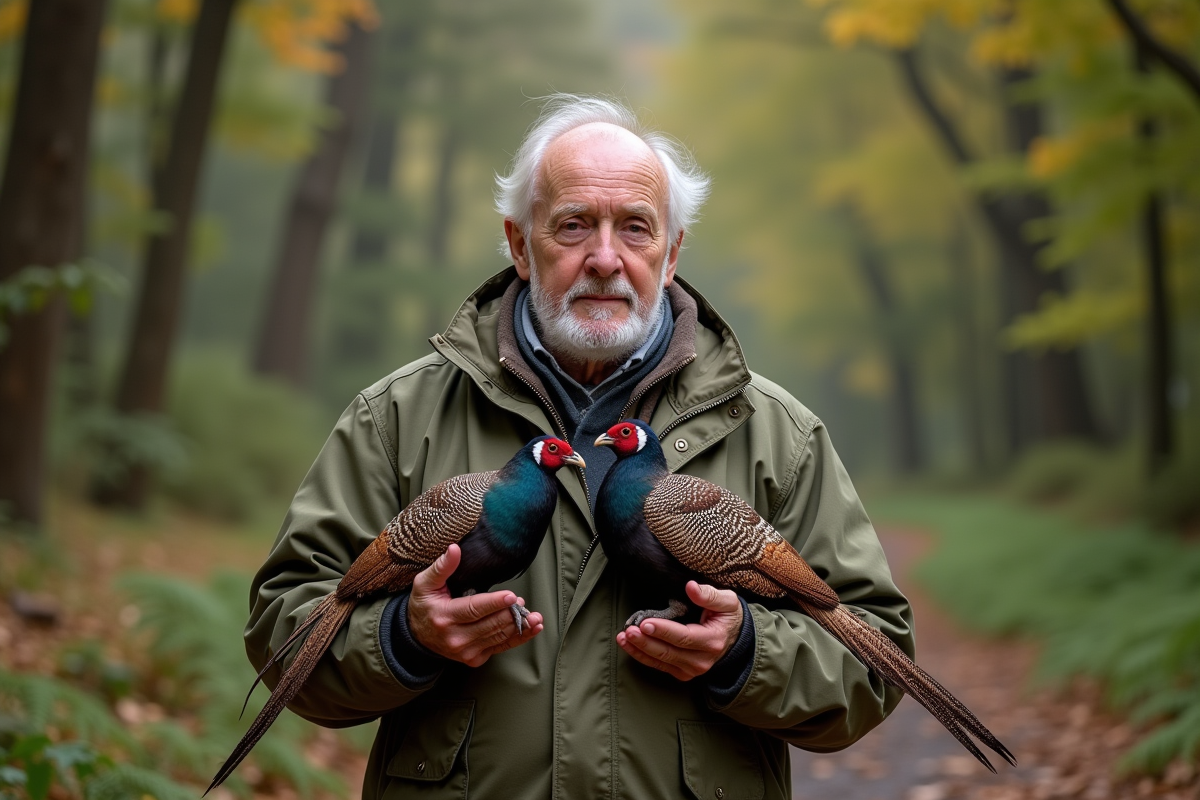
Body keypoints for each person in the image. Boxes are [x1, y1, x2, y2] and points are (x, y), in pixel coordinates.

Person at [245, 94, 914, 800]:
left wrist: (745, 650)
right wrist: (402, 638)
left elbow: (874, 662)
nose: (605, 259)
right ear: (519, 244)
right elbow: (286, 628)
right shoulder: (398, 419)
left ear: (672, 250)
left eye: (635, 228)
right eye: (572, 226)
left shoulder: (778, 434)